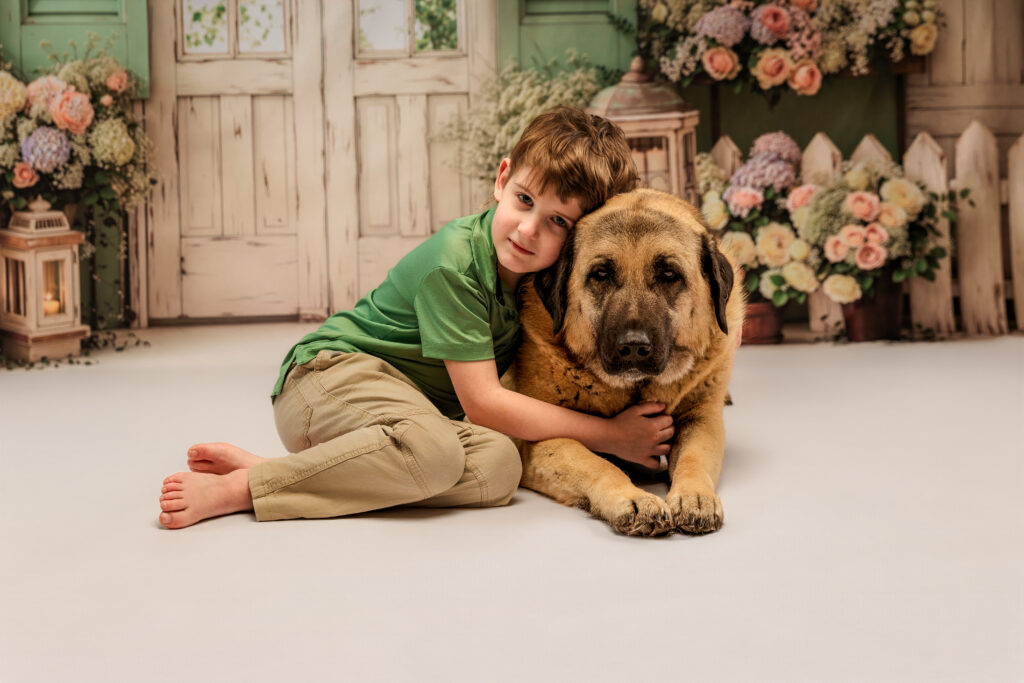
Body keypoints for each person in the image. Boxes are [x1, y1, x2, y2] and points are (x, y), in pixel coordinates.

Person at [158, 106, 675, 529]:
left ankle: (293, 473)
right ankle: (242, 490)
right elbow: (484, 404)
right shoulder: (454, 264)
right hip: (324, 382)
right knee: (435, 452)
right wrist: (608, 435)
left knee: (499, 467)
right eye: (524, 200)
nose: (528, 230)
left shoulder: (538, 281)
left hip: (401, 421)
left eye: (558, 221)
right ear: (502, 179)